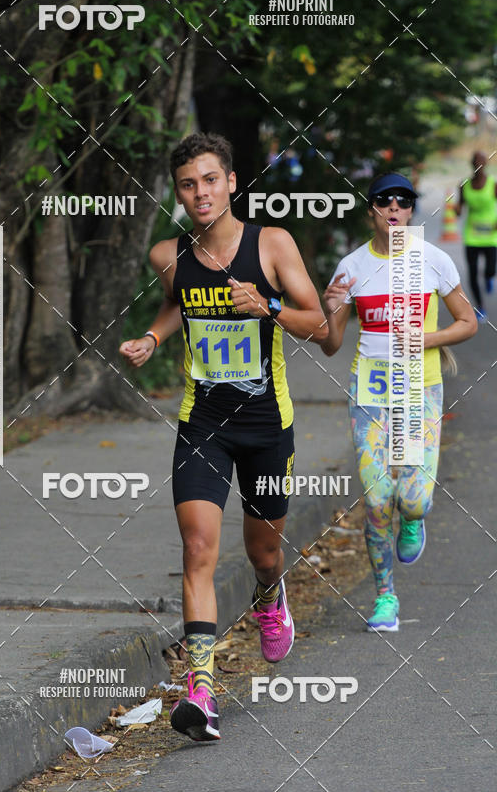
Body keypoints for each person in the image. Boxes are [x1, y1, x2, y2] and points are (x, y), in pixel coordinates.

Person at [120, 132, 327, 741]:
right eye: (188, 184)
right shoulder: (169, 253)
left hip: (267, 427)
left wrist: (266, 307)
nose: (201, 192)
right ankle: (202, 691)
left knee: (264, 550)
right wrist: (153, 339)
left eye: (210, 180)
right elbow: (173, 305)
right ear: (178, 193)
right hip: (202, 424)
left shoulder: (272, 244)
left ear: (232, 182)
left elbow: (319, 322)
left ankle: (270, 592)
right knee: (197, 548)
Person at [321, 172, 477, 632]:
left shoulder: (432, 260)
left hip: (417, 389)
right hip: (369, 390)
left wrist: (427, 338)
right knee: (375, 499)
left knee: (411, 500)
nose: (394, 209)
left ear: (411, 211)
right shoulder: (351, 266)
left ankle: (414, 519)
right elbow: (330, 344)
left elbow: (467, 322)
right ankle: (385, 597)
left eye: (403, 202)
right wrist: (331, 307)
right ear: (372, 209)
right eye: (385, 202)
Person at [455, 150, 497, 322]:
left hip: (491, 236)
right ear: (472, 165)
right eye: (475, 162)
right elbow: (460, 208)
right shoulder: (464, 186)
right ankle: (481, 308)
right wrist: (456, 210)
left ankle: (489, 278)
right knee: (472, 273)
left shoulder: (493, 185)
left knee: (489, 270)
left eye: (482, 162)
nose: (479, 165)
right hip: (471, 236)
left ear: (486, 164)